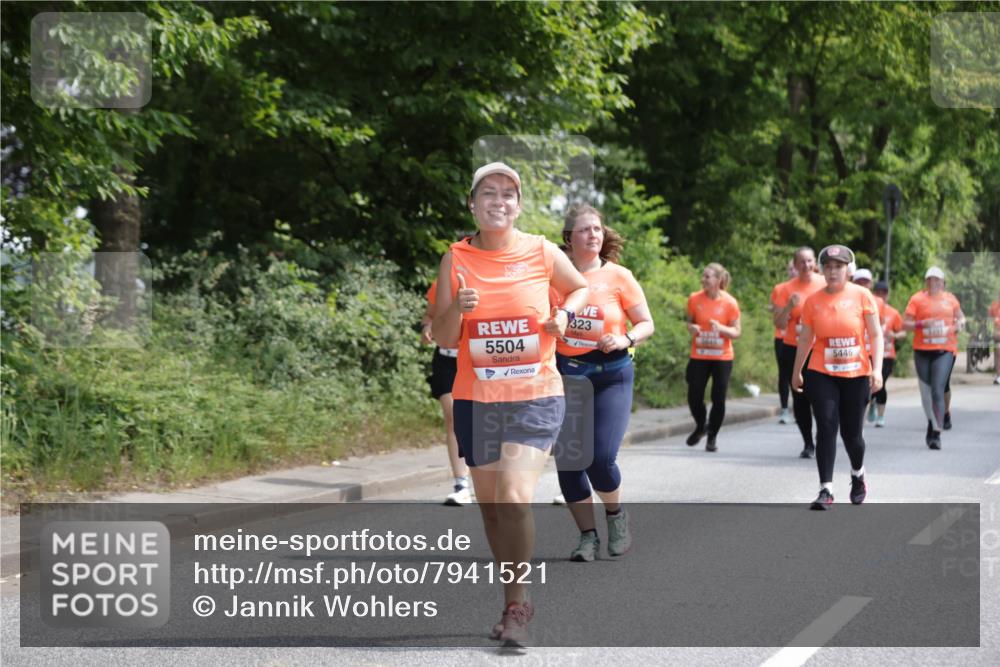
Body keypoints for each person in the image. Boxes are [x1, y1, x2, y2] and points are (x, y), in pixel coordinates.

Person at [432, 162, 589, 646]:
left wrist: (564, 314)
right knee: (493, 512)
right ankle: (508, 601)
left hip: (535, 396)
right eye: (488, 193)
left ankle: (519, 607)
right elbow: (440, 335)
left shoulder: (540, 251)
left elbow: (580, 287)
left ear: (518, 206)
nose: (498, 200)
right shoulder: (454, 259)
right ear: (473, 204)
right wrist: (459, 306)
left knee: (515, 497)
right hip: (478, 400)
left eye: (507, 194)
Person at [552, 204, 654, 562]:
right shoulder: (553, 276)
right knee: (568, 460)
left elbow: (646, 323)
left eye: (597, 229)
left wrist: (625, 339)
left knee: (601, 456)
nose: (594, 234)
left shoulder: (619, 276)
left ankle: (616, 516)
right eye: (585, 230)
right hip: (568, 374)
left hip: (612, 374)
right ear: (569, 237)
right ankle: (587, 537)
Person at [791, 244, 883, 510]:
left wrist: (876, 369)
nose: (833, 272)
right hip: (822, 372)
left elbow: (875, 335)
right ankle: (826, 489)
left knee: (852, 436)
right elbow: (806, 337)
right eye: (829, 267)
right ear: (822, 270)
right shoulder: (813, 301)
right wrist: (797, 370)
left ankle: (857, 474)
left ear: (848, 270)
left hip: (855, 373)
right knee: (827, 426)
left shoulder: (863, 296)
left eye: (838, 267)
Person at [903, 266, 965, 449]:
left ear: (943, 283)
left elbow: (961, 318)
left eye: (937, 280)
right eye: (930, 279)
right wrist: (922, 324)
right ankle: (932, 421)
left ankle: (936, 432)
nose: (934, 283)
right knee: (925, 394)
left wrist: (960, 324)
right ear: (926, 282)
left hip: (944, 350)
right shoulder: (917, 299)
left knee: (938, 390)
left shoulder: (950, 300)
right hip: (922, 350)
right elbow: (905, 324)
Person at [421, 278, 471, 505]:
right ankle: (461, 484)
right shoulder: (440, 284)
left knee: (481, 420)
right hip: (446, 360)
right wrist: (427, 328)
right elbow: (430, 315)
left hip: (476, 360)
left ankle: (492, 476)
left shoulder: (488, 278)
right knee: (453, 417)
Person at [772, 247, 826, 458]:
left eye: (809, 261)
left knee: (821, 397)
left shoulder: (824, 284)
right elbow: (777, 322)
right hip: (793, 348)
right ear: (794, 265)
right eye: (801, 262)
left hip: (819, 349)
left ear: (815, 263)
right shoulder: (784, 289)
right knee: (800, 398)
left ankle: (824, 438)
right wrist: (788, 307)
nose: (805, 265)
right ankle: (808, 443)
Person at [685, 263, 741, 452]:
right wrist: (692, 328)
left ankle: (712, 437)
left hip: (722, 357)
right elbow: (690, 321)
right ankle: (702, 425)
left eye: (708, 276)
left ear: (718, 280)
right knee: (694, 395)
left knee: (719, 398)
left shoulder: (730, 302)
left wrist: (722, 328)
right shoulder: (694, 299)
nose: (704, 279)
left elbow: (736, 331)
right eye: (703, 276)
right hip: (699, 354)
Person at [870, 281, 906, 427]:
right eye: (878, 292)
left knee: (881, 383)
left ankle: (880, 416)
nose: (881, 295)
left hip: (887, 355)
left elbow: (903, 332)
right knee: (869, 384)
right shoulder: (868, 309)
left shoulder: (893, 313)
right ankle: (872, 402)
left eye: (884, 292)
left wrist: (895, 336)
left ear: (887, 294)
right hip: (870, 353)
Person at [770, 260, 798, 424]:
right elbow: (776, 310)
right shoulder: (780, 288)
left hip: (800, 339)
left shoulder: (810, 287)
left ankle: (798, 408)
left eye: (795, 268)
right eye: (790, 269)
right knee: (784, 373)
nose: (793, 271)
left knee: (800, 373)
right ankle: (784, 409)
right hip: (782, 337)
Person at [991, 290, 1000, 385]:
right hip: (997, 333)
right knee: (997, 353)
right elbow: (990, 319)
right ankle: (998, 375)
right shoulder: (994, 306)